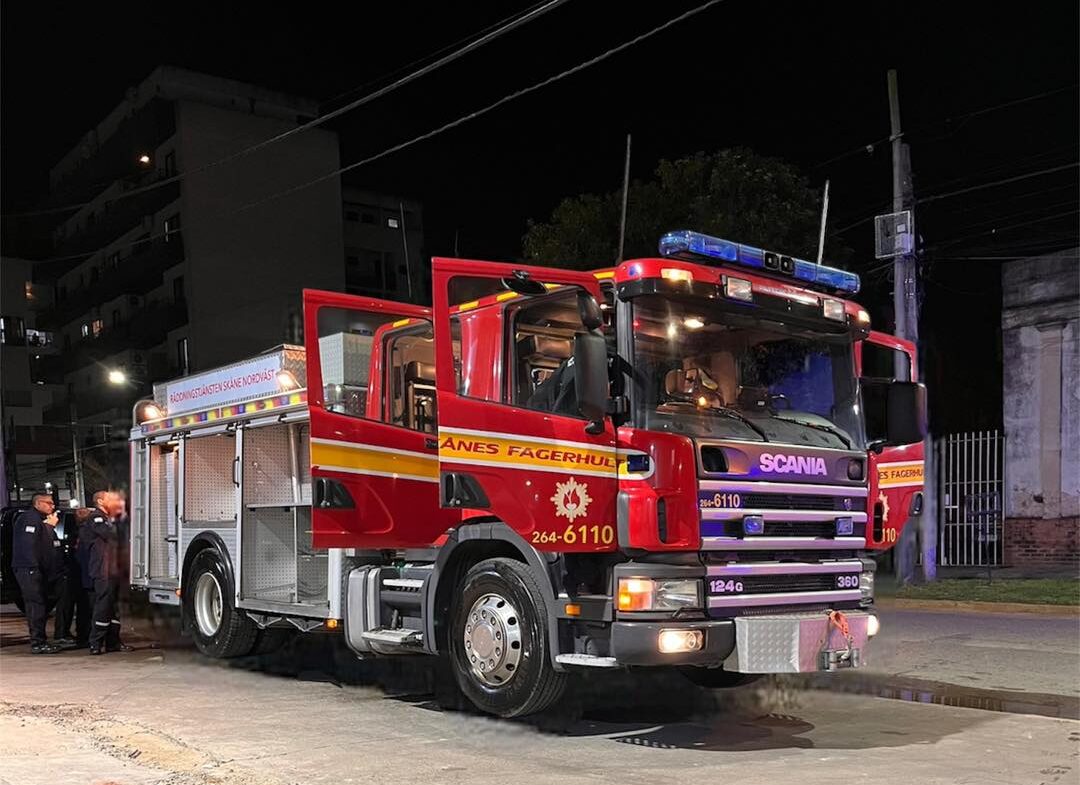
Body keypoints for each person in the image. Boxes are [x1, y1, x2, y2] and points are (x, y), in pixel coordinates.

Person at [11, 494, 65, 654]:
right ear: (38, 503)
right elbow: (30, 545)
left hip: (36, 569)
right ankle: (37, 642)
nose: (52, 506)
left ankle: (40, 639)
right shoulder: (30, 519)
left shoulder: (39, 520)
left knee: (41, 603)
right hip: (29, 568)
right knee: (36, 604)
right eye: (49, 503)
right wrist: (49, 527)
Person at [83, 491, 132, 655]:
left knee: (114, 608)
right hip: (103, 570)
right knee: (103, 606)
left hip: (114, 570)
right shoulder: (96, 518)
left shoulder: (109, 519)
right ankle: (95, 643)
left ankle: (114, 642)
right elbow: (110, 534)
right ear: (100, 501)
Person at [53, 507, 93, 648]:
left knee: (68, 605)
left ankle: (66, 633)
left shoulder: (74, 533)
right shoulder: (84, 533)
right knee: (77, 605)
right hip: (77, 574)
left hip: (71, 573)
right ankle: (71, 634)